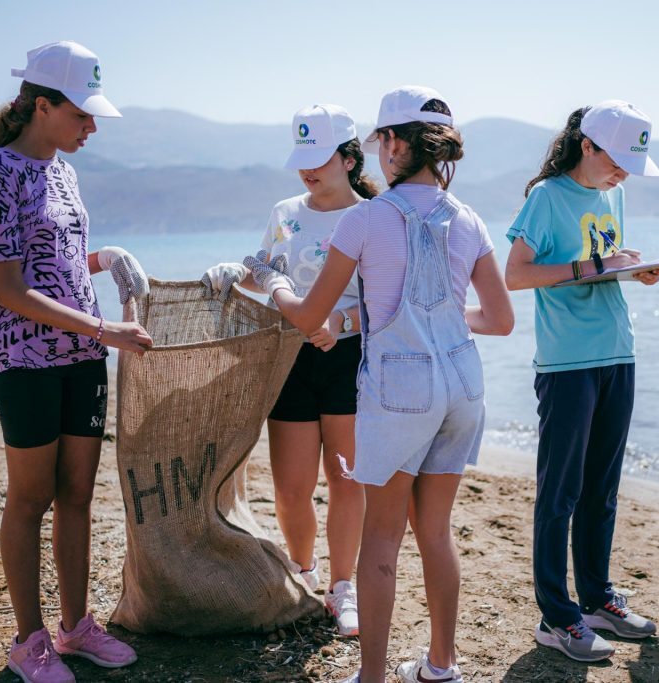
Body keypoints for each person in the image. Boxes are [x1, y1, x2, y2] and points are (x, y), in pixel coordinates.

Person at [243, 86, 513, 683]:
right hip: (464, 385)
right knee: (436, 533)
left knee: (383, 538)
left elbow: (310, 317)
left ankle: (371, 677)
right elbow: (500, 320)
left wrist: (274, 280)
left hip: (402, 390)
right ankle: (441, 667)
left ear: (391, 144)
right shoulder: (468, 218)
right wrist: (441, 321)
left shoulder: (365, 218)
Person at [0, 41, 151, 683]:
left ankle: (76, 627)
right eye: (81, 113)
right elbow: (8, 288)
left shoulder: (65, 172)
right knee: (31, 497)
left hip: (81, 356)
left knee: (76, 494)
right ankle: (29, 642)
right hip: (24, 360)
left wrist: (105, 259)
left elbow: (57, 262)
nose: (91, 126)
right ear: (41, 106)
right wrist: (105, 327)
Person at [201, 104, 377, 637]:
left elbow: (391, 300)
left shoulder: (374, 216)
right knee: (292, 487)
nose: (308, 169)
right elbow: (264, 272)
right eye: (303, 158)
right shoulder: (284, 212)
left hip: (349, 359)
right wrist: (235, 273)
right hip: (288, 357)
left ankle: (342, 587)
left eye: (319, 158)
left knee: (345, 480)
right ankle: (303, 573)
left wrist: (341, 322)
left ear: (349, 159)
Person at [504, 100, 659, 663]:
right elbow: (516, 275)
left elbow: (601, 263)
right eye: (616, 161)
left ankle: (596, 600)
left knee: (602, 490)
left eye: (630, 166)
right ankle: (556, 616)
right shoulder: (547, 197)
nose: (623, 175)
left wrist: (629, 270)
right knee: (561, 493)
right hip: (567, 362)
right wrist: (597, 267)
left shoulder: (613, 194)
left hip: (618, 351)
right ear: (587, 145)